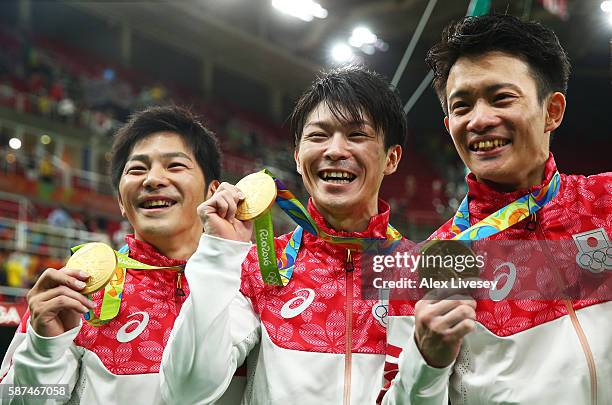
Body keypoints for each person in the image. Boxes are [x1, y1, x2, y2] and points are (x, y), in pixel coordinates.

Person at [381, 15, 612, 404]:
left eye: (501, 98)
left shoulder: (606, 203)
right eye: (462, 106)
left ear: (552, 110)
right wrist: (427, 361)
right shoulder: (432, 263)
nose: (480, 120)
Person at [160, 65, 407, 404]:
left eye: (356, 135)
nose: (335, 150)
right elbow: (185, 391)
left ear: (391, 158)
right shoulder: (261, 266)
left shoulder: (422, 270)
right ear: (297, 157)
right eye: (318, 136)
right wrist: (218, 254)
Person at [0, 105, 247, 404]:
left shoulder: (253, 283)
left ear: (213, 191)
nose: (153, 179)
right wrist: (43, 348)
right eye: (137, 169)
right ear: (120, 200)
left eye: (175, 166)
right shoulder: (78, 287)